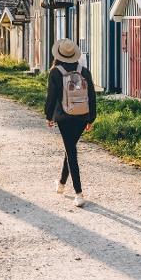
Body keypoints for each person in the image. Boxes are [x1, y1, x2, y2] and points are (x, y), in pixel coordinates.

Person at [45, 38, 97, 207]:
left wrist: (49, 116)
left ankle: (79, 193)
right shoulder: (85, 71)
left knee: (71, 153)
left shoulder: (55, 72)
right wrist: (91, 118)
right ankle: (60, 185)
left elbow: (51, 98)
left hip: (65, 117)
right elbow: (92, 96)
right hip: (82, 116)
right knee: (70, 150)